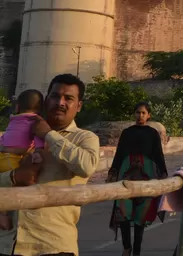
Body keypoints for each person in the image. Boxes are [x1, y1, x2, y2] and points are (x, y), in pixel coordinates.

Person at [0, 74, 100, 256]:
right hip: (8, 244)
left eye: (68, 98)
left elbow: (86, 166)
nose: (60, 102)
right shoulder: (15, 137)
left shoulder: (84, 138)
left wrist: (48, 135)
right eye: (55, 96)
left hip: (53, 246)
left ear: (79, 106)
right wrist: (13, 177)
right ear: (46, 101)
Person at [107, 102, 168, 256]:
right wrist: (113, 171)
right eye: (137, 112)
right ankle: (126, 247)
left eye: (143, 113)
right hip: (126, 174)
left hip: (146, 176)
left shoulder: (153, 133)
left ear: (149, 115)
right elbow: (119, 153)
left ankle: (137, 251)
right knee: (123, 212)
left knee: (141, 215)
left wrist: (163, 174)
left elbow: (158, 154)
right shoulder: (127, 132)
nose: (140, 116)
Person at [0, 90, 46, 231]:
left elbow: (6, 136)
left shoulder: (14, 119)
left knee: (6, 185)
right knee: (17, 183)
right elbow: (39, 135)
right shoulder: (35, 121)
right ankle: (3, 214)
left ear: (18, 107)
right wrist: (38, 151)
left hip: (4, 155)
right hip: (11, 159)